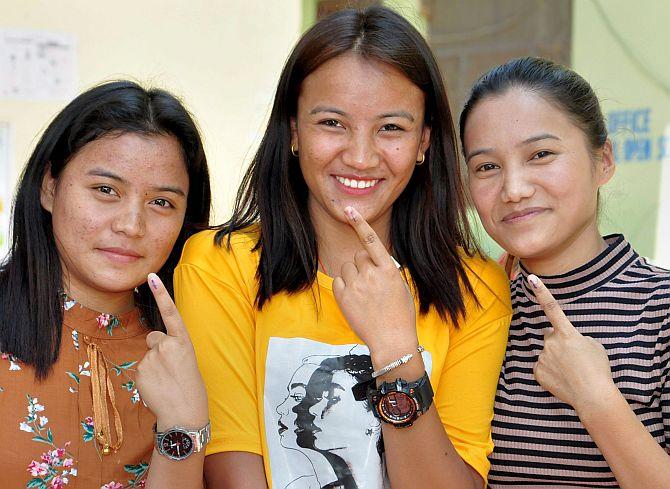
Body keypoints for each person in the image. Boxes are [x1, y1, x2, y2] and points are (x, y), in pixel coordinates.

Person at [175, 6, 511, 489]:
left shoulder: (476, 289)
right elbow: (230, 467)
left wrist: (396, 350)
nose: (360, 156)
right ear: (293, 130)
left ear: (424, 142)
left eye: (391, 128)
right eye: (332, 123)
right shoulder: (218, 265)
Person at [460, 56, 670, 488]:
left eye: (541, 154)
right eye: (487, 167)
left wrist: (596, 399)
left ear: (603, 160)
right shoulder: (472, 314)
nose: (514, 189)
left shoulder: (660, 310)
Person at [0, 80, 212, 488]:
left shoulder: (193, 348)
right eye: (105, 190)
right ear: (50, 186)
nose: (131, 225)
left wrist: (183, 425)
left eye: (161, 203)